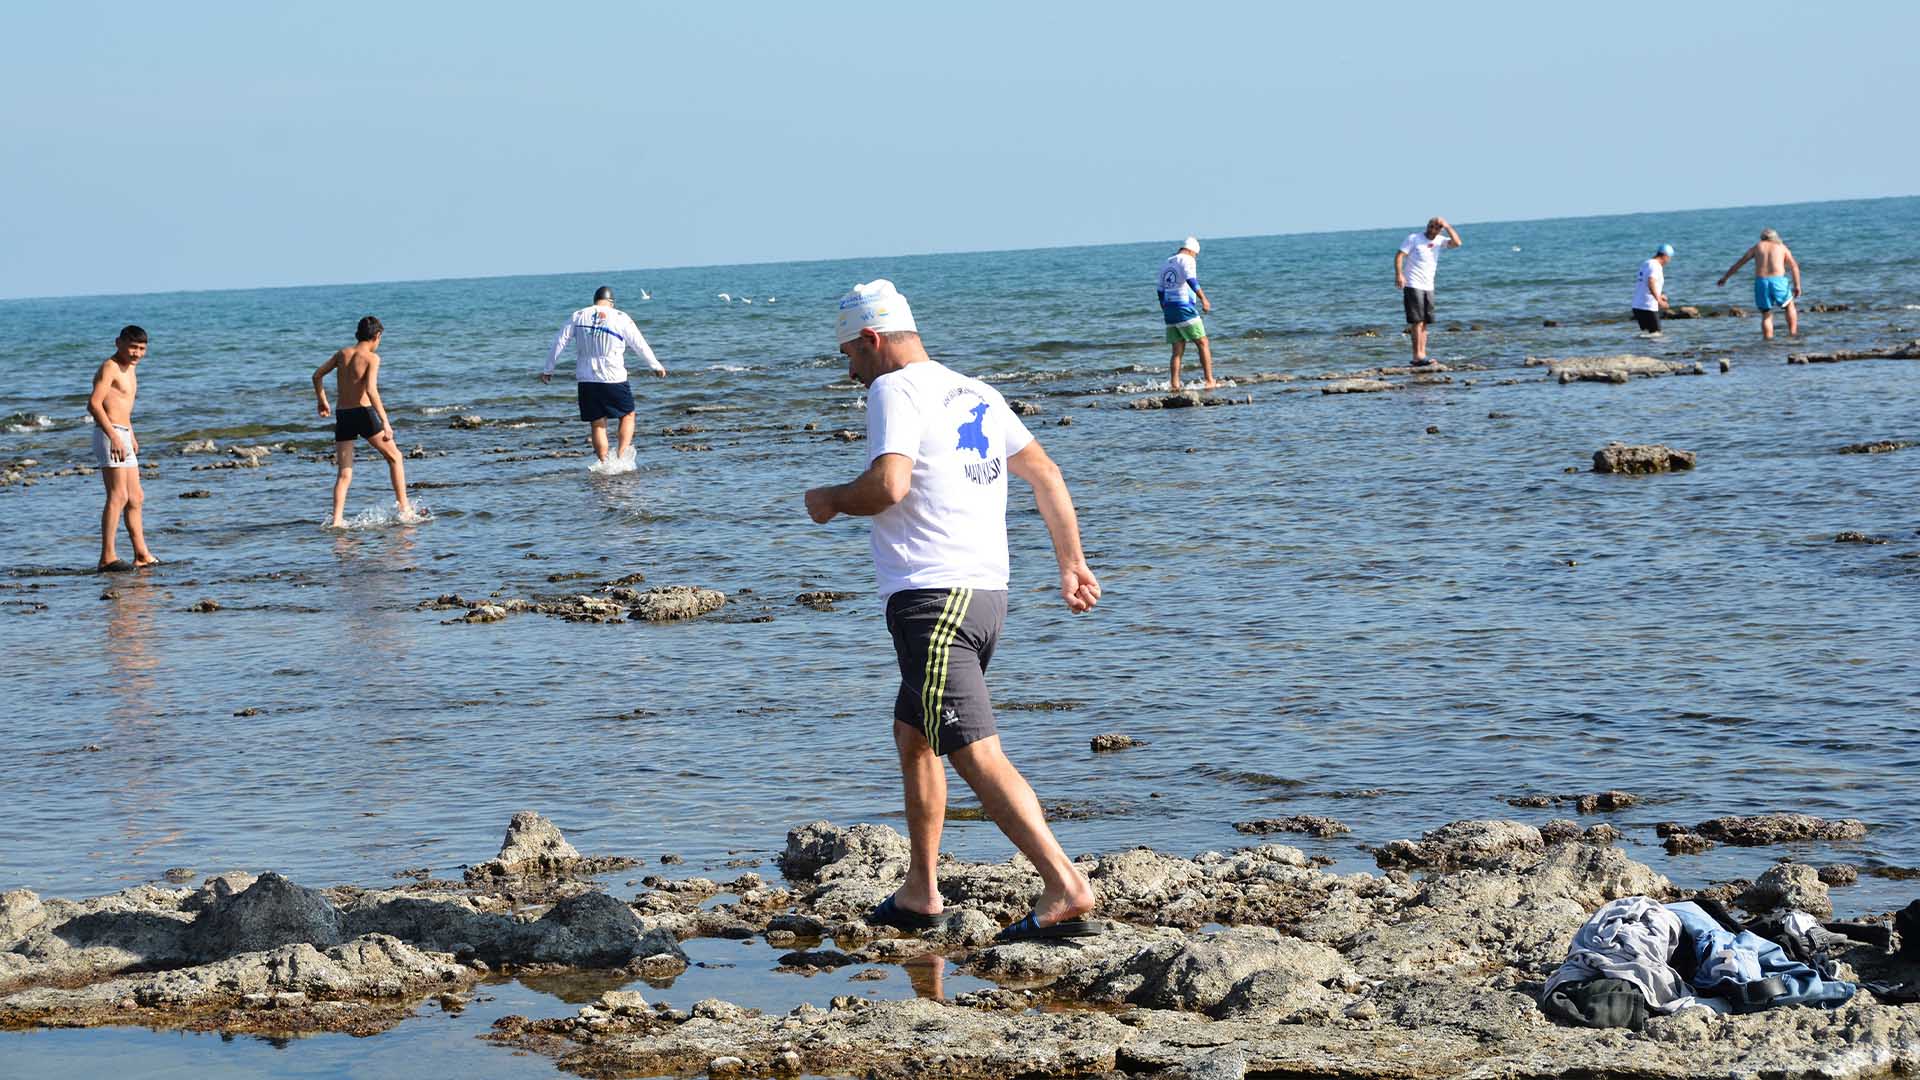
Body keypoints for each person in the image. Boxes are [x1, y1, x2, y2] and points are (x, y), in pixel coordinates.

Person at [804, 280, 1104, 944]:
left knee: (972, 749)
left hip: (933, 601)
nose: (849, 371)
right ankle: (920, 890)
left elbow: (889, 485)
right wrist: (1071, 562)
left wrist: (829, 499)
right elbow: (1046, 473)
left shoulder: (893, 389)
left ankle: (1064, 884)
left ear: (873, 340)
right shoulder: (975, 391)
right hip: (986, 595)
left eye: (850, 355)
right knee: (914, 734)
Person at [541, 286, 666, 470]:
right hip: (613, 376)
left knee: (598, 422)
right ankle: (621, 459)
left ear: (595, 300)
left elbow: (559, 341)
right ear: (611, 303)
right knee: (628, 415)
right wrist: (655, 365)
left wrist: (548, 369)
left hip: (586, 378)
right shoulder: (620, 317)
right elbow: (639, 344)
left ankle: (604, 464)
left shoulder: (578, 315)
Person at [313, 316, 414, 528]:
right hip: (364, 414)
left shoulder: (342, 354)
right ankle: (404, 509)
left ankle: (337, 520)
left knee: (345, 472)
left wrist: (322, 401)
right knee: (395, 457)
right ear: (377, 336)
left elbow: (317, 375)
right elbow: (371, 390)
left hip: (343, 415)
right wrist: (385, 422)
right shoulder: (372, 358)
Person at [87, 325, 158, 569]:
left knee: (136, 497)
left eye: (141, 349)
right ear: (118, 343)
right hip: (109, 435)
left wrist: (130, 434)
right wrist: (115, 437)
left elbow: (122, 406)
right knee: (118, 496)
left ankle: (141, 555)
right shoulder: (110, 367)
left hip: (123, 434)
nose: (137, 353)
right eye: (132, 347)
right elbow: (94, 405)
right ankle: (107, 558)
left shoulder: (130, 369)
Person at [1395, 216, 1463, 366]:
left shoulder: (1440, 240)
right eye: (1430, 225)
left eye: (1436, 227)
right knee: (1417, 321)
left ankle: (1422, 355)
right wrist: (1399, 274)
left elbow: (1458, 243)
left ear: (1440, 229)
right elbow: (1399, 255)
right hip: (1413, 283)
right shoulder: (1413, 238)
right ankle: (1417, 356)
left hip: (1428, 286)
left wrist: (1447, 225)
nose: (1432, 229)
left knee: (1425, 322)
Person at [1716, 228, 1802, 339]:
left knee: (1766, 314)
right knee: (1789, 305)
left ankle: (1768, 340)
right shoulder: (1781, 247)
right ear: (1775, 237)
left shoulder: (1757, 247)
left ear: (1762, 238)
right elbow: (1794, 266)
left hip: (1761, 282)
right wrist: (1797, 285)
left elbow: (1739, 264)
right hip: (1778, 281)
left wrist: (1725, 277)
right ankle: (1793, 334)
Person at [1156, 237, 1215, 390]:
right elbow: (1191, 280)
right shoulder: (1188, 260)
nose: (1195, 258)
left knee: (1177, 350)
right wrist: (1204, 299)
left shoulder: (1167, 262)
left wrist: (1165, 309)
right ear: (1191, 251)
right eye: (1196, 255)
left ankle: (1174, 383)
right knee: (1203, 343)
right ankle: (1209, 380)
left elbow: (1160, 290)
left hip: (1169, 309)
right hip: (1183, 307)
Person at [1633, 244, 1675, 333]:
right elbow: (1650, 282)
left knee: (1647, 337)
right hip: (1648, 307)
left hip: (1638, 306)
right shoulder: (1656, 265)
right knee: (1656, 336)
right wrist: (1659, 300)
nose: (1669, 261)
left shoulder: (1646, 263)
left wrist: (1659, 295)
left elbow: (1645, 284)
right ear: (1665, 256)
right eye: (1670, 258)